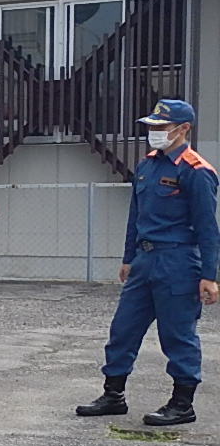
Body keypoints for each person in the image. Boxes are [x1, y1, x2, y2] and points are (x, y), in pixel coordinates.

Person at [76, 99, 220, 426]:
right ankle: (113, 395)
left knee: (177, 334)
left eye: (161, 127)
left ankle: (182, 404)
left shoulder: (196, 171)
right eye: (152, 126)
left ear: (183, 129)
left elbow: (208, 228)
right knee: (123, 329)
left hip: (178, 261)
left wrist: (209, 275)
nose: (154, 132)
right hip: (144, 259)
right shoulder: (147, 166)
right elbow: (135, 216)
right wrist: (129, 257)